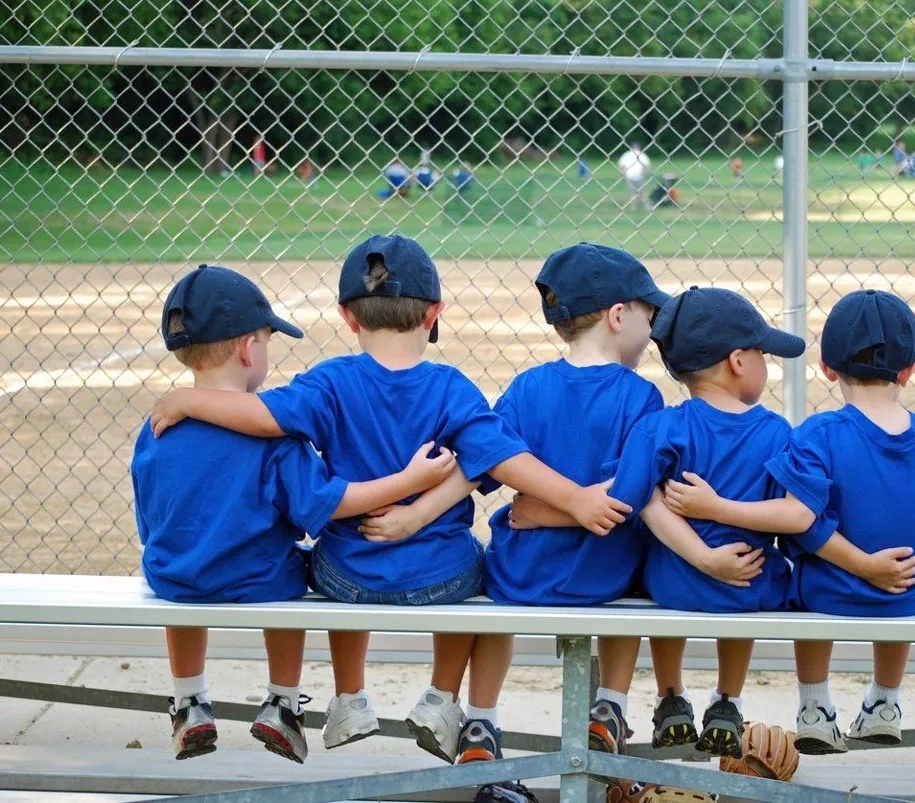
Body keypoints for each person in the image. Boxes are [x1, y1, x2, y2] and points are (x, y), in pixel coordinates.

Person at [148, 235, 632, 764]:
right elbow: (500, 457)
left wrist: (190, 397)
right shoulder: (451, 387)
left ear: (348, 317)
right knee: (478, 559)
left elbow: (263, 417)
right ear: (433, 314)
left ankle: (350, 697)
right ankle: (441, 699)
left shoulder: (329, 381)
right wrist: (576, 498)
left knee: (330, 549)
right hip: (440, 580)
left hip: (346, 580)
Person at [132, 265, 458, 763]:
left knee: (181, 569)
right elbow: (326, 505)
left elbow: (152, 522)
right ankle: (282, 702)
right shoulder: (276, 439)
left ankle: (189, 701)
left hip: (175, 577)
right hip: (258, 580)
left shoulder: (155, 427)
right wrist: (409, 484)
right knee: (295, 567)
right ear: (247, 349)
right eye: (266, 341)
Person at [607, 288, 915, 757]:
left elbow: (635, 497)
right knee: (756, 576)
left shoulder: (661, 426)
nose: (766, 364)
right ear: (737, 361)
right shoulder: (777, 432)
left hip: (673, 583)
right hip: (749, 586)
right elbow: (796, 518)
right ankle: (728, 700)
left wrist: (700, 555)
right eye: (762, 354)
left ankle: (671, 697)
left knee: (653, 569)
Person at [397, 243, 676, 767]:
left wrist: (419, 513)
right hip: (607, 576)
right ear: (618, 316)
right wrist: (578, 508)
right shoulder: (641, 397)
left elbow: (480, 465)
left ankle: (481, 717)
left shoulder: (527, 388)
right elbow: (626, 496)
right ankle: (610, 707)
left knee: (489, 586)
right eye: (649, 315)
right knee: (642, 570)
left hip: (522, 575)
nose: (653, 330)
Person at [767, 289, 915, 755]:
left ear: (827, 369)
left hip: (830, 594)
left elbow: (803, 524)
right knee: (908, 571)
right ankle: (885, 703)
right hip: (911, 597)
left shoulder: (818, 434)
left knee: (803, 582)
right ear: (908, 371)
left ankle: (814, 709)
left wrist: (863, 565)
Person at [618, 142, 651, 210]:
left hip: (631, 176)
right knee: (642, 192)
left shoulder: (627, 155)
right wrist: (645, 173)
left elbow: (621, 166)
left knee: (632, 192)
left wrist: (622, 174)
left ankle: (634, 207)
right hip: (638, 176)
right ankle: (644, 206)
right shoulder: (641, 155)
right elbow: (646, 166)